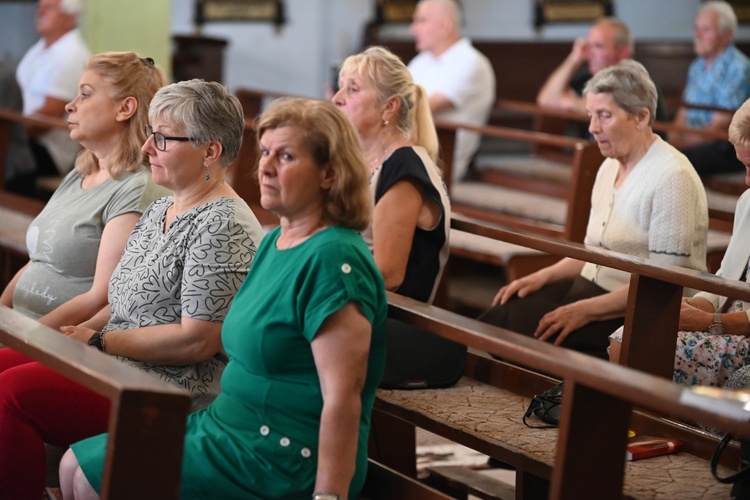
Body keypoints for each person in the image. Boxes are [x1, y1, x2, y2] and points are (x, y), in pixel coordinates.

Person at [60, 97, 387, 500]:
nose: (265, 166)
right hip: (228, 425)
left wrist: (329, 495)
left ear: (329, 173)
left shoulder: (334, 259)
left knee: (99, 479)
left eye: (285, 156)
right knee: (73, 467)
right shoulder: (277, 243)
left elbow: (342, 397)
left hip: (281, 456)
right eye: (264, 151)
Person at [0, 79, 265, 500]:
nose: (147, 149)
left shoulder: (223, 223)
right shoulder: (163, 205)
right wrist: (76, 336)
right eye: (149, 135)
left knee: (9, 395)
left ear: (210, 151)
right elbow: (121, 297)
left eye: (162, 138)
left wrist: (100, 342)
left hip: (166, 387)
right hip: (116, 361)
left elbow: (196, 340)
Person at [479, 60, 708, 360]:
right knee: (502, 317)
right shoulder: (608, 165)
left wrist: (585, 311)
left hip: (642, 310)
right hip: (591, 287)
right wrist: (541, 277)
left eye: (604, 116)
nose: (592, 128)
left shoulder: (671, 176)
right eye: (590, 115)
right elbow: (593, 252)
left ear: (641, 117)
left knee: (542, 340)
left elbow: (661, 284)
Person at [1, 52, 168, 330]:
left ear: (125, 109)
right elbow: (37, 261)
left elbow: (101, 298)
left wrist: (21, 336)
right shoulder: (81, 171)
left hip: (61, 340)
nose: (70, 105)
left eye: (85, 95)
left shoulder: (138, 188)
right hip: (22, 329)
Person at [611, 97, 750, 387]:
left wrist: (711, 323)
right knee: (627, 336)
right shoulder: (748, 202)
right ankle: (650, 425)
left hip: (740, 333)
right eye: (743, 166)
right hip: (725, 324)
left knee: (645, 348)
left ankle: (659, 423)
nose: (747, 181)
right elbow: (726, 277)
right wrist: (697, 305)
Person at [334, 45, 450, 305]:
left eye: (352, 89)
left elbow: (388, 276)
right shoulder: (357, 160)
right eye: (340, 86)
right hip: (351, 299)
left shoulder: (404, 169)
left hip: (389, 314)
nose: (337, 98)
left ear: (389, 108)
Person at [408, 0, 495, 183]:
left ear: (444, 26)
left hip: (439, 164)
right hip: (408, 151)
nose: (413, 29)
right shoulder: (420, 61)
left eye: (421, 21)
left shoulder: (470, 62)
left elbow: (416, 110)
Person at [15, 0, 91, 195]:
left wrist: (10, 133)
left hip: (49, 148)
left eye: (49, 7)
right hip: (23, 134)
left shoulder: (72, 54)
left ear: (70, 17)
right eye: (40, 6)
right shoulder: (41, 47)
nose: (39, 11)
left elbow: (47, 117)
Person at [669, 1, 750, 176]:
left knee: (674, 162)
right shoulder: (696, 66)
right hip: (690, 140)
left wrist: (678, 146)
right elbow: (682, 113)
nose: (697, 35)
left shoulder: (739, 68)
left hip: (723, 146)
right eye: (696, 28)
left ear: (725, 36)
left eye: (706, 30)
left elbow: (718, 129)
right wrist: (671, 140)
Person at [536, 17, 668, 123]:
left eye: (598, 46)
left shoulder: (637, 76)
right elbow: (546, 100)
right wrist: (573, 59)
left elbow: (614, 112)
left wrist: (570, 103)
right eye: (588, 45)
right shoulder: (589, 75)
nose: (589, 53)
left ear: (622, 52)